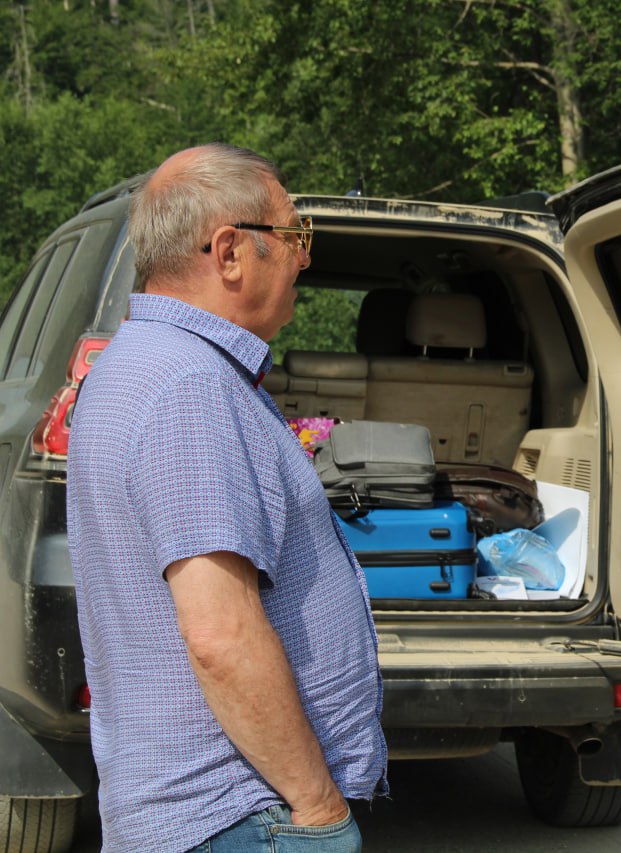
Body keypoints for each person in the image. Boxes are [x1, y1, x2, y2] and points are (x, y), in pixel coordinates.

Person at [67, 143, 387, 853]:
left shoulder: (140, 361)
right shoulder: (190, 387)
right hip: (240, 815)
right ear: (230, 251)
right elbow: (220, 634)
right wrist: (316, 805)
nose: (305, 257)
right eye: (295, 235)